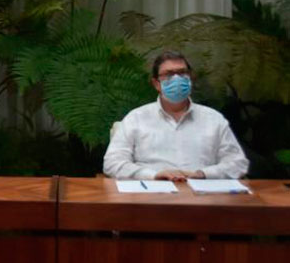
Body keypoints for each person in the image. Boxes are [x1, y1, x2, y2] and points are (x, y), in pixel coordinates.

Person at [103, 50, 249, 181]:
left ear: (190, 79)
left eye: (182, 72)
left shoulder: (213, 119)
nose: (177, 78)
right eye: (168, 74)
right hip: (150, 196)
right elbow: (112, 163)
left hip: (202, 197)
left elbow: (237, 163)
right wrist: (153, 175)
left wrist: (203, 174)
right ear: (156, 84)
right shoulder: (136, 118)